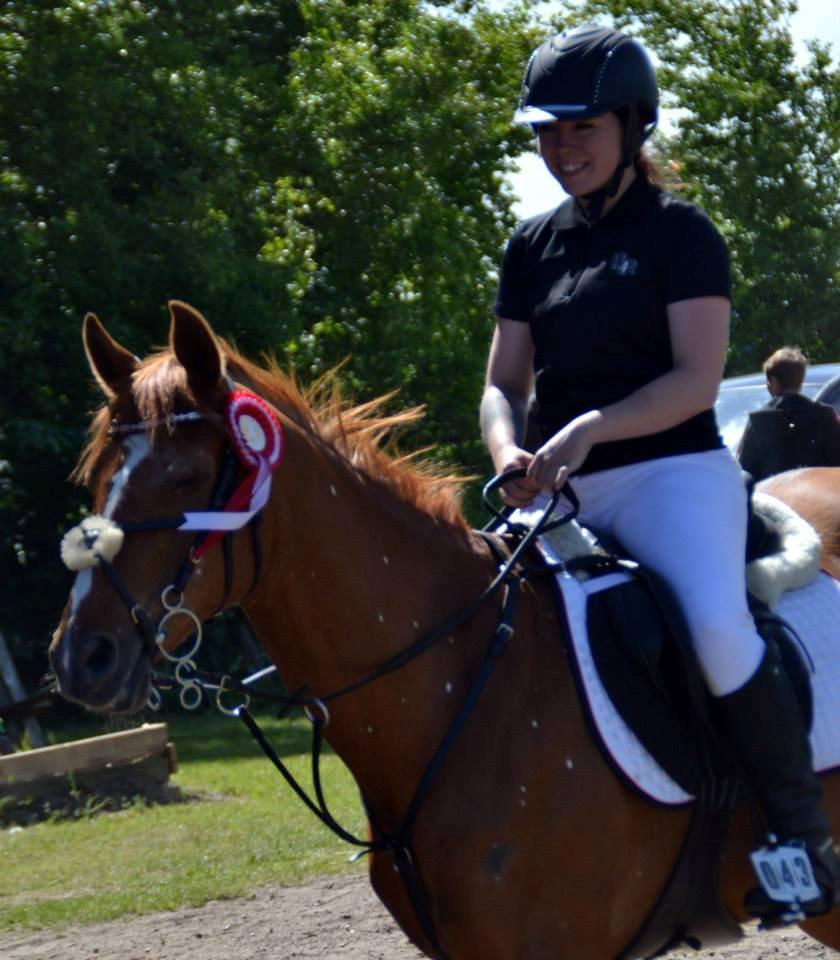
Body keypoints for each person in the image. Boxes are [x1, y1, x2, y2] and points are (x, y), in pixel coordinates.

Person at [480, 24, 840, 924]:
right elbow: (502, 381)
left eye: (581, 129)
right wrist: (507, 450)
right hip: (558, 489)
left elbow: (695, 380)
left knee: (717, 627)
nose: (561, 149)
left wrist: (588, 431)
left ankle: (800, 839)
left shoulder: (682, 234)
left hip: (670, 474)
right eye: (547, 133)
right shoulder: (531, 244)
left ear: (632, 126)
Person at [737, 346, 840, 482]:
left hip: (772, 498)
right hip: (818, 493)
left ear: (773, 381)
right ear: (800, 380)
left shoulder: (759, 420)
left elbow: (746, 470)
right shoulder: (825, 415)